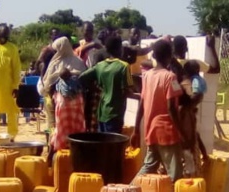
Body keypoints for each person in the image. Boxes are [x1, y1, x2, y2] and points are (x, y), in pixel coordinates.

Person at [134, 40, 185, 182]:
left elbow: (142, 104)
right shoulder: (170, 77)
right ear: (169, 56)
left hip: (150, 129)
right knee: (175, 173)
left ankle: (128, 191)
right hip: (166, 131)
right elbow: (171, 108)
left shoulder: (147, 76)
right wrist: (181, 132)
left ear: (154, 56)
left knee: (149, 166)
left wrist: (136, 129)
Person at [42, 37, 88, 156]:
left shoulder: (55, 62)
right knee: (76, 127)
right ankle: (76, 151)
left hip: (61, 101)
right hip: (78, 101)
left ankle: (57, 152)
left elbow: (47, 83)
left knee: (59, 127)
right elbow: (85, 78)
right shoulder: (78, 61)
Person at [80, 36, 133, 134]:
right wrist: (141, 96)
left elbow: (82, 78)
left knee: (103, 143)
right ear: (119, 49)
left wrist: (96, 88)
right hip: (115, 113)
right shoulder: (123, 66)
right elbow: (127, 91)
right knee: (113, 144)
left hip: (101, 112)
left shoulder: (100, 65)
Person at [179, 60, 209, 177]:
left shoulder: (190, 83)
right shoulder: (196, 81)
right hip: (186, 138)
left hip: (185, 135)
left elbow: (196, 95)